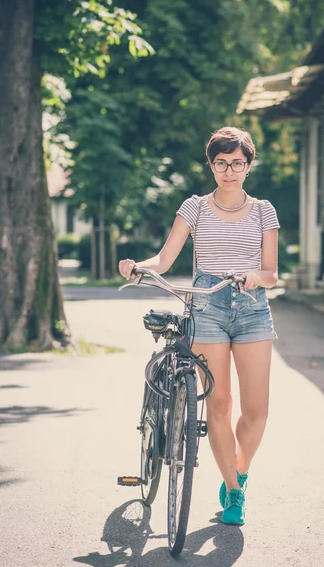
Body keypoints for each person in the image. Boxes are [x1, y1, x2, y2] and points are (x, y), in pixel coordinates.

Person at [119, 126, 280, 526]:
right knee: (219, 404)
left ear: (248, 166)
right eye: (221, 163)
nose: (229, 171)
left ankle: (237, 473)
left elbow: (272, 273)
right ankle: (236, 494)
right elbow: (165, 258)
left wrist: (251, 276)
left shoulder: (264, 210)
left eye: (237, 163)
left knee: (256, 411)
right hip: (206, 305)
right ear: (211, 165)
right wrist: (138, 266)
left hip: (251, 307)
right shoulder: (195, 207)